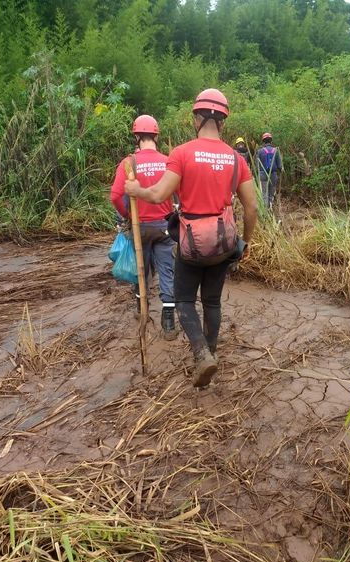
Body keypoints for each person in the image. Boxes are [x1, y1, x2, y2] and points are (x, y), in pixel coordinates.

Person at [125, 88, 258, 387]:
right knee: (212, 302)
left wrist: (137, 192)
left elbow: (159, 194)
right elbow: (251, 207)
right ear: (223, 122)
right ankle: (210, 353)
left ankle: (201, 355)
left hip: (191, 244)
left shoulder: (182, 153)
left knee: (184, 300)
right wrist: (245, 243)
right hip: (223, 244)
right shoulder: (237, 160)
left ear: (196, 118)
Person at [110, 114, 177, 341]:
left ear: (137, 136)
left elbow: (115, 196)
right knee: (167, 270)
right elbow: (179, 195)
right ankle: (168, 321)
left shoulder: (129, 163)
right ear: (156, 136)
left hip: (140, 227)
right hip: (165, 227)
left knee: (142, 271)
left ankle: (142, 310)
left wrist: (128, 215)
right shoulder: (168, 161)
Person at [256, 132, 282, 208]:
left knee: (264, 194)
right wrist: (280, 171)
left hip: (262, 175)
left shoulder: (260, 151)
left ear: (263, 141)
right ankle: (270, 209)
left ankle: (265, 212)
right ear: (271, 141)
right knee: (271, 193)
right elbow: (280, 166)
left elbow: (257, 165)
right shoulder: (276, 151)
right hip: (273, 175)